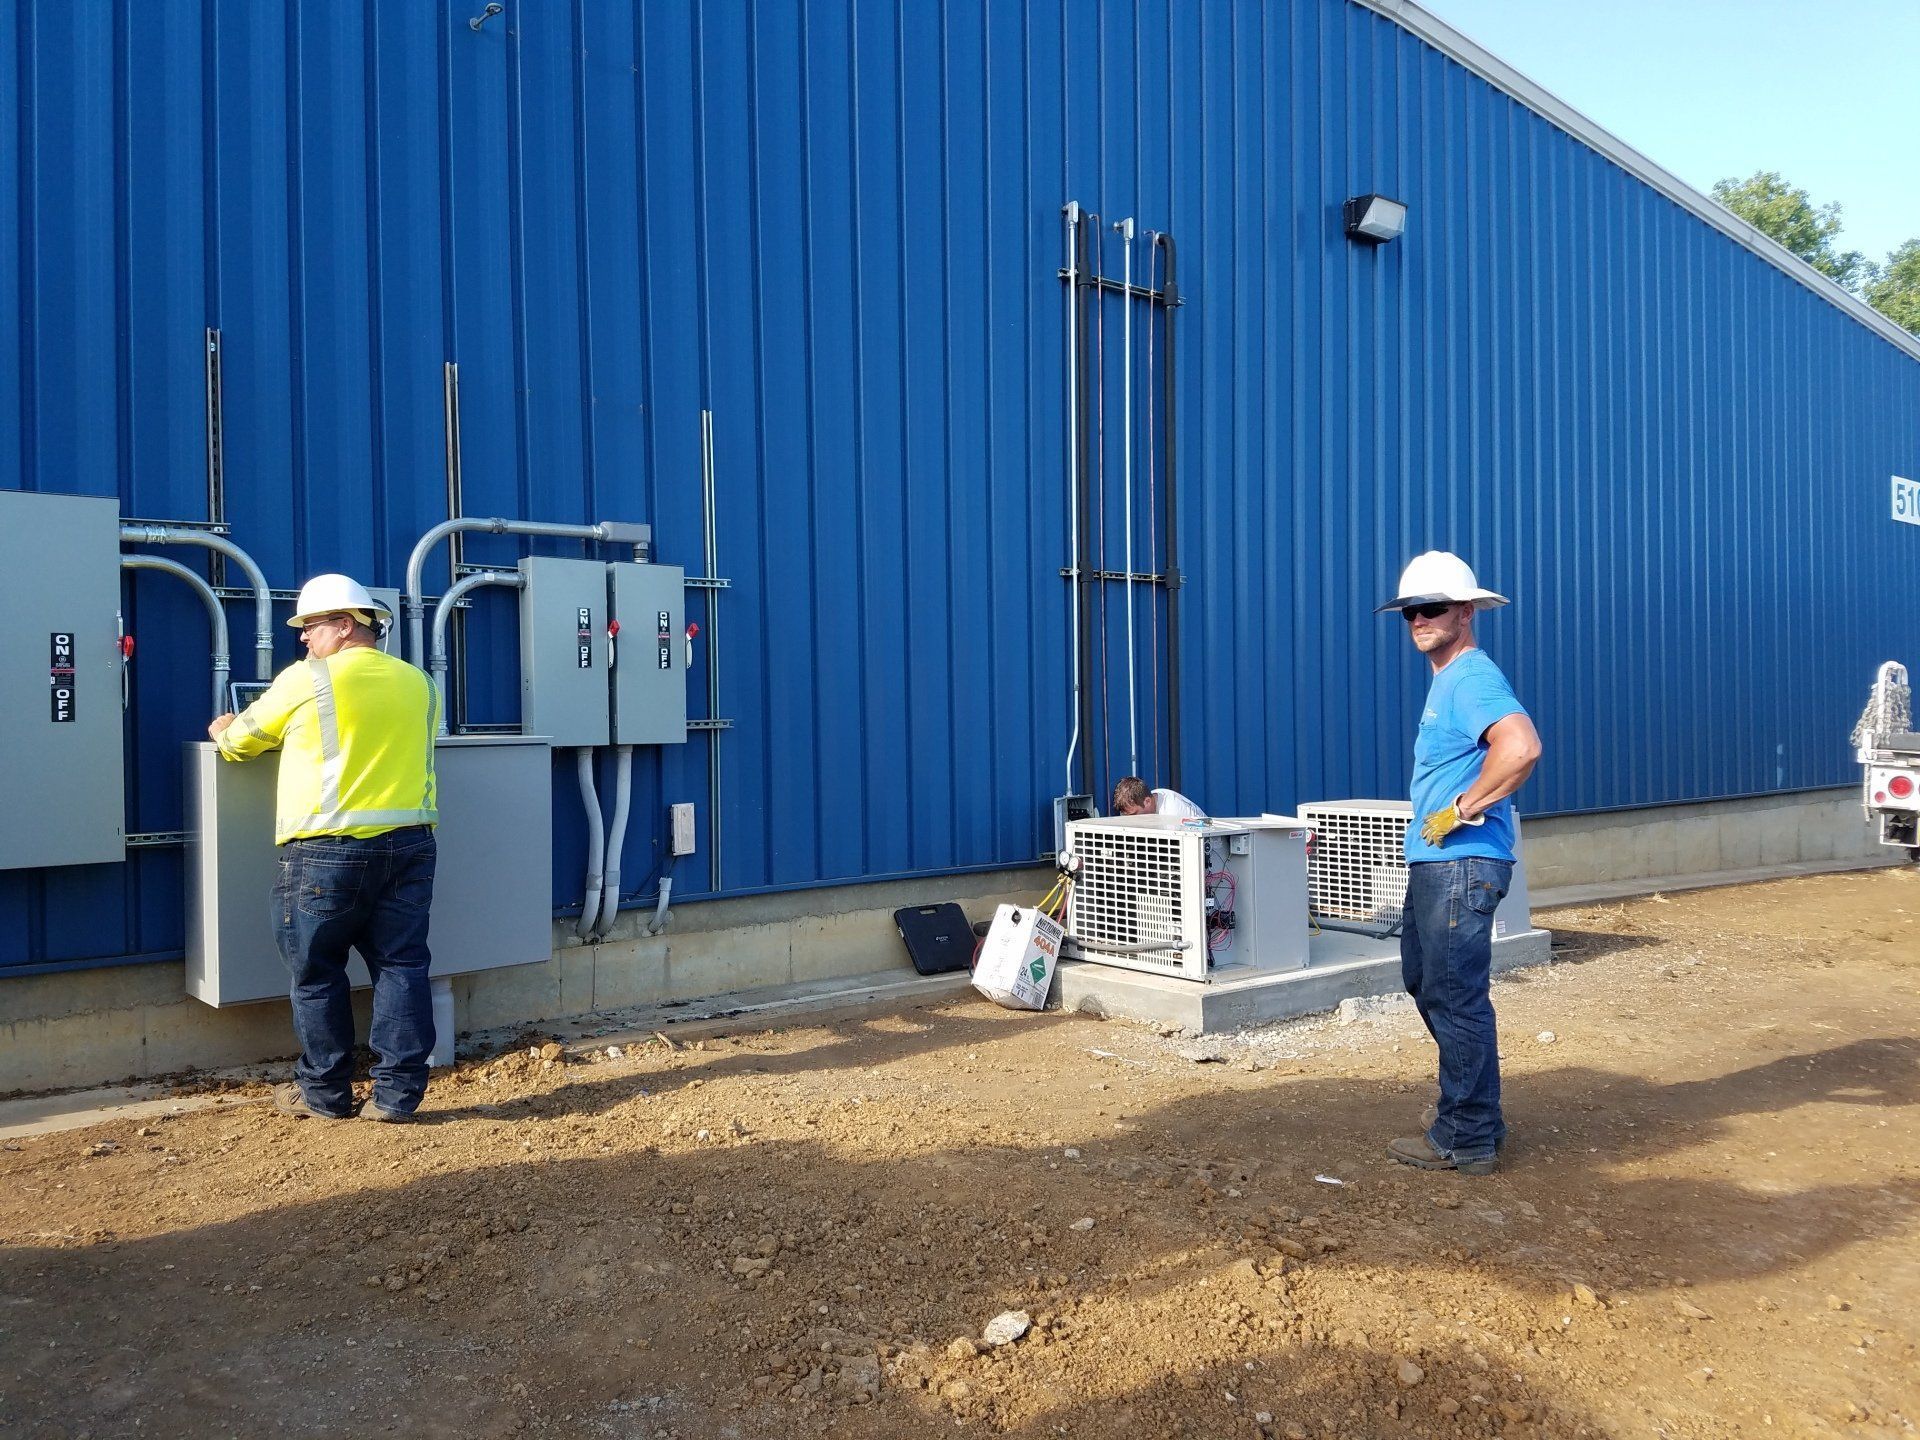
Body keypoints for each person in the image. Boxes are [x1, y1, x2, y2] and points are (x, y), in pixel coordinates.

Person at [208, 574, 441, 1123]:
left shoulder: (306, 679)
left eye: (311, 627)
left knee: (316, 973)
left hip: (324, 849)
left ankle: (325, 1096)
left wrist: (224, 728)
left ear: (344, 626)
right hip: (410, 844)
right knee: (402, 966)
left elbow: (244, 742)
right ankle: (396, 1098)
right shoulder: (421, 683)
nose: (304, 639)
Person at [1375, 551, 1542, 1176]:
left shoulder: (1471, 678)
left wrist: (1463, 807)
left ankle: (1465, 1133)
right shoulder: (1448, 680)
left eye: (1432, 608)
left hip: (1461, 861)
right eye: (1410, 611)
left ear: (1466, 612)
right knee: (1430, 983)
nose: (1419, 619)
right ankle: (1475, 1113)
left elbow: (1521, 746)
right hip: (1443, 862)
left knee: (1454, 996)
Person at [1111, 776, 1206, 820]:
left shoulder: (1174, 813)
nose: (1129, 819)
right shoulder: (1148, 798)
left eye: (1134, 814)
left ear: (1147, 802)